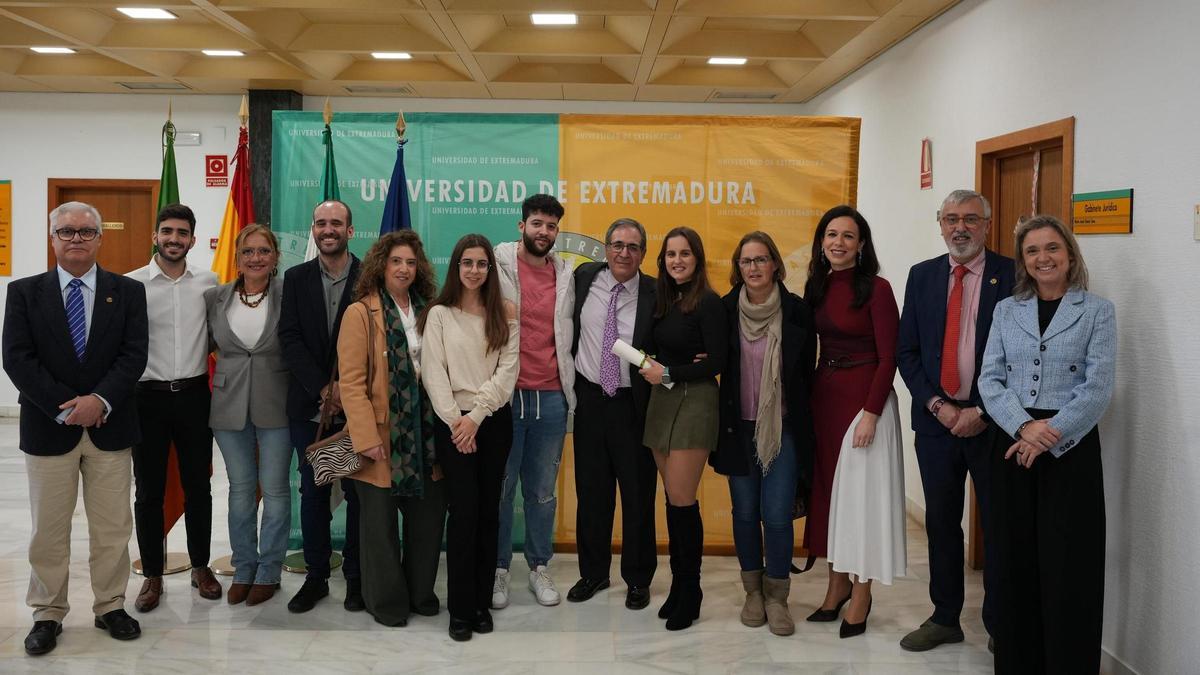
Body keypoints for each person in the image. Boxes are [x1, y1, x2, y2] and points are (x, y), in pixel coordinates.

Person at [3, 201, 148, 656]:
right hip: (49, 427)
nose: (77, 239)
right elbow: (17, 358)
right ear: (52, 238)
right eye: (67, 231)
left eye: (86, 232)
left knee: (112, 527)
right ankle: (47, 612)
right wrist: (67, 407)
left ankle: (109, 606)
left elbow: (134, 354)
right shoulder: (24, 292)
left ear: (100, 238)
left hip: (111, 425)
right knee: (49, 529)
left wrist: (99, 401)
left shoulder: (127, 292)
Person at [978, 214, 1115, 674]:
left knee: (1068, 567)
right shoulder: (1005, 310)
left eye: (1052, 247)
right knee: (1012, 561)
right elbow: (990, 380)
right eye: (1033, 250)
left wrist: (1048, 434)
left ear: (1070, 254)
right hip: (1013, 447)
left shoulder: (1096, 311)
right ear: (1023, 260)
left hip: (1070, 451)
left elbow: (1097, 389)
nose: (1043, 258)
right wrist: (1023, 427)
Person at [896, 189, 1014, 652]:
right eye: (950, 219)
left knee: (1000, 525)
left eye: (969, 218)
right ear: (940, 224)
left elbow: (1020, 355)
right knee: (942, 524)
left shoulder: (1011, 274)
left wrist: (981, 410)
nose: (959, 227)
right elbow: (907, 352)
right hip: (936, 425)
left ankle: (1001, 623)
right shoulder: (921, 276)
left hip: (994, 424)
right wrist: (938, 407)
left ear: (986, 224)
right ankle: (945, 617)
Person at [802, 205, 905, 638]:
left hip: (864, 404)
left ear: (861, 244)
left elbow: (889, 357)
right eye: (831, 235)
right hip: (824, 398)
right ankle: (836, 584)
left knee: (860, 501)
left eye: (848, 235)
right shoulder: (817, 286)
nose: (838, 243)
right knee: (830, 496)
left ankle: (861, 594)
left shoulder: (877, 289)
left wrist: (871, 413)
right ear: (821, 242)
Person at [338, 231, 448, 627]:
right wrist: (366, 438)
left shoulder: (430, 310)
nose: (403, 269)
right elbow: (351, 383)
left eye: (411, 262)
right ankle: (385, 602)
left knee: (427, 521)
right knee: (379, 528)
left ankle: (420, 594)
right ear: (381, 265)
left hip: (428, 437)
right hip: (381, 439)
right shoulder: (360, 313)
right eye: (396, 261)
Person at [710, 231, 816, 637]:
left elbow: (805, 375)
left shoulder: (797, 312)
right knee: (744, 512)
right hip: (738, 428)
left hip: (783, 430)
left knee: (775, 515)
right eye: (745, 261)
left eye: (760, 259)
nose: (753, 268)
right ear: (738, 268)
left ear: (775, 264)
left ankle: (777, 597)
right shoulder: (723, 311)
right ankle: (752, 592)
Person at [419, 234, 519, 642]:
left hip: (492, 422)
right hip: (452, 424)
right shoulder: (440, 314)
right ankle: (459, 609)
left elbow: (507, 373)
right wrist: (457, 421)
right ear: (456, 267)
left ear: (490, 270)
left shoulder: (505, 313)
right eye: (467, 263)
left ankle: (481, 604)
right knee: (463, 515)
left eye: (481, 264)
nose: (474, 270)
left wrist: (475, 417)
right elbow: (433, 373)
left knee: (489, 513)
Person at [127, 203, 221, 612]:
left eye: (182, 233)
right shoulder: (132, 285)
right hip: (146, 397)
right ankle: (152, 575)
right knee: (148, 491)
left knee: (198, 486)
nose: (174, 239)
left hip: (196, 395)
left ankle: (201, 567)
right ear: (155, 236)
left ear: (192, 240)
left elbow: (218, 336)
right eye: (167, 231)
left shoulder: (209, 282)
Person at [637, 226, 726, 631]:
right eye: (670, 254)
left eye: (684, 254)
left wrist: (671, 370)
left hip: (695, 400)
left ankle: (691, 590)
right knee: (672, 502)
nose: (677, 260)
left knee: (682, 498)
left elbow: (717, 361)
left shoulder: (707, 302)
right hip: (663, 400)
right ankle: (677, 586)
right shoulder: (664, 300)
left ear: (697, 258)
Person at [567, 218, 658, 612]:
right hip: (589, 399)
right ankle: (593, 573)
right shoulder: (584, 277)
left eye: (633, 247)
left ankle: (638, 579)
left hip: (632, 405)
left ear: (643, 253)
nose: (624, 253)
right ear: (606, 248)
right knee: (591, 493)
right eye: (617, 245)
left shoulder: (656, 292)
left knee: (638, 496)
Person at [278, 199, 364, 613]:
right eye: (321, 223)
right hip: (309, 408)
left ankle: (356, 576)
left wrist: (344, 391)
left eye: (336, 223)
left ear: (350, 231)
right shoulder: (294, 278)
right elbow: (289, 338)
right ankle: (316, 577)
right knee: (313, 494)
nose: (328, 229)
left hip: (358, 408)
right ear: (313, 229)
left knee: (359, 493)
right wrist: (322, 389)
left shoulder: (370, 276)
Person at [492, 194, 575, 609]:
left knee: (542, 492)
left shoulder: (566, 272)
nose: (544, 232)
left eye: (552, 226)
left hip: (552, 397)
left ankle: (539, 566)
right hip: (506, 397)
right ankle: (499, 569)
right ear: (521, 225)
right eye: (537, 223)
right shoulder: (496, 264)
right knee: (502, 488)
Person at [205, 224, 291, 607]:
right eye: (248, 252)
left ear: (275, 257)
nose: (256, 258)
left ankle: (269, 569)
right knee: (240, 492)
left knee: (274, 491)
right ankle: (244, 567)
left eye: (263, 251)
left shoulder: (289, 295)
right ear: (237, 258)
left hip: (277, 402)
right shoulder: (215, 298)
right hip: (228, 405)